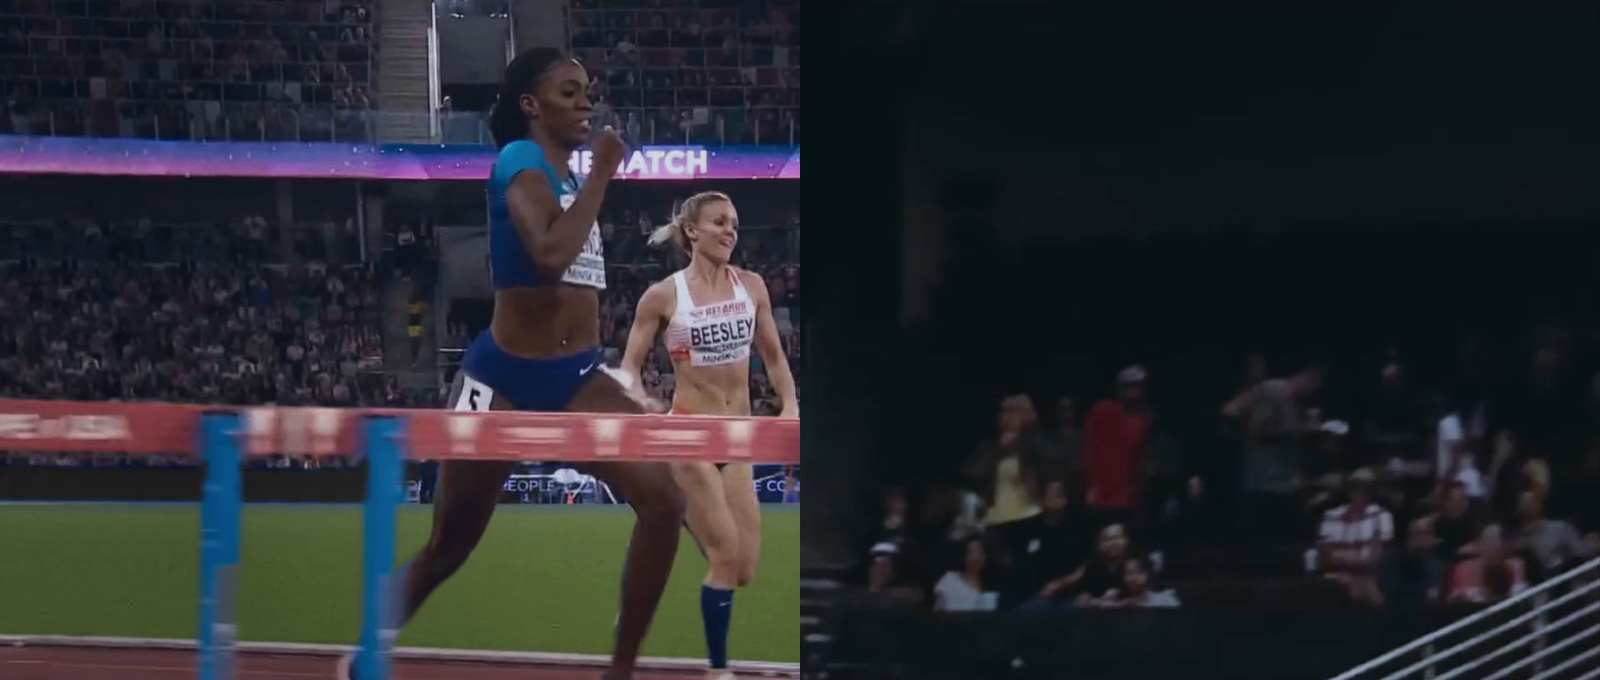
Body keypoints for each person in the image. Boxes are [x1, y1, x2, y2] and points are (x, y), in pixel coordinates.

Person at [337, 48, 687, 680]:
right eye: (569, 92)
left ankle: (621, 670)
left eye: (589, 92)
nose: (587, 102)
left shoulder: (568, 180)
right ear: (531, 105)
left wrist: (591, 179)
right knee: (448, 548)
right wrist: (606, 170)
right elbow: (551, 254)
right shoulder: (518, 160)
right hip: (498, 379)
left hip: (576, 377)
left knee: (664, 500)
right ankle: (364, 653)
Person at [620, 190, 799, 679]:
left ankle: (677, 517)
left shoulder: (753, 288)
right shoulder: (663, 296)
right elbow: (629, 369)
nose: (730, 231)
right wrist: (638, 396)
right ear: (692, 232)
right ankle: (718, 672)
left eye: (735, 225)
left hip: (737, 440)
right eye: (720, 222)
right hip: (690, 438)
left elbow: (775, 358)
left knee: (743, 570)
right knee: (723, 555)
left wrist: (790, 408)